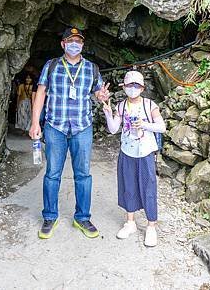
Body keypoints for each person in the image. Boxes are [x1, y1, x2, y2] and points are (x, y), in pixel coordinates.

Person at [29, 27, 110, 239]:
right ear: (63, 44)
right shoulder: (52, 65)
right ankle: (50, 216)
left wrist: (102, 96)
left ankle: (82, 217)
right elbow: (40, 93)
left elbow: (100, 93)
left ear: (82, 44)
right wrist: (35, 123)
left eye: (79, 41)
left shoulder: (91, 68)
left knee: (83, 174)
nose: (75, 44)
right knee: (52, 174)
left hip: (82, 127)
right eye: (70, 40)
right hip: (55, 126)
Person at [101, 70, 166, 247]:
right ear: (124, 87)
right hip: (127, 150)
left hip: (145, 151)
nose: (133, 88)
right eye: (130, 85)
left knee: (148, 186)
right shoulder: (121, 106)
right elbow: (114, 129)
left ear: (142, 87)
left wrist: (144, 124)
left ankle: (151, 226)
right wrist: (108, 112)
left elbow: (162, 127)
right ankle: (130, 222)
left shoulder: (149, 105)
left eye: (136, 85)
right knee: (128, 185)